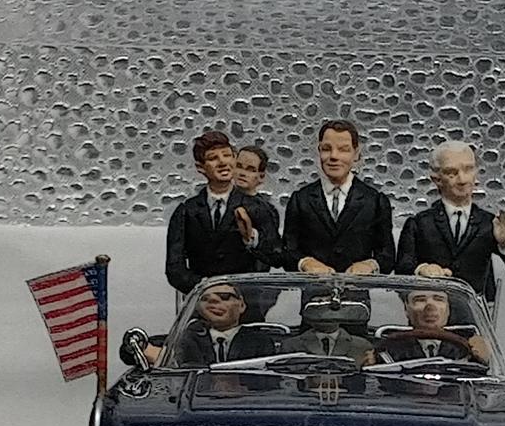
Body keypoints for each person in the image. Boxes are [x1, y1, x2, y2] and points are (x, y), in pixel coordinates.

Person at [394, 140, 505, 309]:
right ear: (436, 179)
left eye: (468, 169)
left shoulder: (488, 223)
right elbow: (402, 268)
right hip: (431, 312)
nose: (462, 179)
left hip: (475, 313)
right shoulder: (420, 223)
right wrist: (422, 269)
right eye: (452, 173)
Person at [165, 131, 280, 296]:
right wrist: (205, 288)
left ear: (234, 158)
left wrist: (251, 237)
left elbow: (275, 255)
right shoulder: (186, 211)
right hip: (203, 301)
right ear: (200, 167)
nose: (222, 162)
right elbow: (174, 267)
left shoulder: (257, 208)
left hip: (244, 300)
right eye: (213, 158)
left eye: (227, 155)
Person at [282, 120, 395, 277]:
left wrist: (370, 265)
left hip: (357, 289)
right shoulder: (301, 200)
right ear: (319, 151)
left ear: (356, 154)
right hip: (314, 289)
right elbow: (288, 251)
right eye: (326, 149)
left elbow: (387, 256)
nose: (334, 156)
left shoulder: (375, 201)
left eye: (343, 150)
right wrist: (305, 263)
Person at [376, 289, 491, 364]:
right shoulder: (388, 349)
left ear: (448, 309)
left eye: (439, 299)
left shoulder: (469, 346)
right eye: (420, 300)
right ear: (406, 309)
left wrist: (485, 358)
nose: (430, 307)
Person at [174, 284, 277, 366]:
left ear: (241, 304)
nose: (213, 302)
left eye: (225, 297)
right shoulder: (187, 340)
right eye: (205, 299)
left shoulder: (259, 341)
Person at [232, 144, 283, 272]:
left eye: (250, 170)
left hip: (251, 276)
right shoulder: (220, 202)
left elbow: (275, 253)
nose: (242, 173)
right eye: (239, 166)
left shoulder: (266, 210)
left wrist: (252, 237)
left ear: (261, 176)